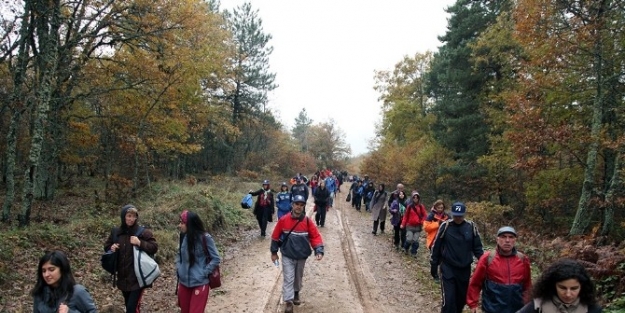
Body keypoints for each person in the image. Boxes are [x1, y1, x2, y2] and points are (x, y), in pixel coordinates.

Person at [270, 195, 324, 313]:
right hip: (287, 254)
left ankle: (296, 292)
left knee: (297, 277)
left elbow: (315, 236)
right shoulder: (284, 220)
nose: (299, 207)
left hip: (301, 255)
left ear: (304, 206)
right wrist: (274, 252)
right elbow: (275, 236)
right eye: (296, 204)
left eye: (301, 205)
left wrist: (318, 250)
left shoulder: (307, 222)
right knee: (288, 277)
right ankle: (288, 302)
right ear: (292, 205)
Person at [430, 202, 484, 313]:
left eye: (460, 215)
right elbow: (436, 246)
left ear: (464, 215)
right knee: (448, 301)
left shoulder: (471, 227)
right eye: (455, 215)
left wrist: (484, 264)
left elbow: (478, 248)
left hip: (464, 269)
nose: (458, 218)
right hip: (448, 268)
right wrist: (434, 265)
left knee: (461, 300)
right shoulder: (445, 226)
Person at [104, 204, 158, 313]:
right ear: (123, 217)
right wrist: (112, 247)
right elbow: (106, 247)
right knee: (130, 306)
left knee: (131, 309)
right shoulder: (116, 232)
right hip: (123, 278)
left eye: (134, 216)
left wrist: (140, 242)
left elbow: (154, 247)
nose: (131, 219)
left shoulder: (142, 232)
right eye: (128, 216)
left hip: (138, 278)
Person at [467, 226, 532, 313]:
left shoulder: (522, 259)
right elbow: (475, 282)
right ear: (497, 239)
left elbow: (527, 284)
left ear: (515, 240)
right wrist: (473, 304)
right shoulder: (487, 258)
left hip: (517, 308)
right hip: (492, 308)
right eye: (503, 237)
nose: (507, 240)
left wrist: (528, 303)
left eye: (511, 237)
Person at [516, 258, 602, 313]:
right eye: (562, 288)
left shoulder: (592, 309)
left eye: (574, 288)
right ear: (553, 285)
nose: (568, 294)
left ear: (582, 286)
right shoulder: (536, 307)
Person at [176, 210, 221, 313]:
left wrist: (203, 272)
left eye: (182, 223)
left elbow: (216, 258)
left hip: (200, 283)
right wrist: (179, 269)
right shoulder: (183, 236)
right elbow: (179, 255)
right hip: (184, 283)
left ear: (189, 224)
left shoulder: (205, 238)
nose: (180, 225)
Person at [32, 250, 97, 313]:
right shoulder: (40, 294)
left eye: (51, 270)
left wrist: (70, 312)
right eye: (44, 271)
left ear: (62, 269)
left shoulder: (77, 292)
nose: (46, 274)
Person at [424, 199, 450, 280]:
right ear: (435, 207)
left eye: (441, 207)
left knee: (443, 258)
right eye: (438, 207)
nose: (440, 209)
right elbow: (426, 228)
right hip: (433, 241)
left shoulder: (447, 216)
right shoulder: (431, 216)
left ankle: (443, 273)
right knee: (434, 258)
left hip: (444, 240)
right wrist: (437, 224)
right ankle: (434, 275)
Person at [400, 191, 428, 256]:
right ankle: (406, 248)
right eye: (414, 197)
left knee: (415, 240)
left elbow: (425, 216)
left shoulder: (421, 207)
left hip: (418, 227)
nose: (415, 199)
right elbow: (405, 216)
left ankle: (413, 252)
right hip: (410, 226)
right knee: (409, 239)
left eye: (417, 197)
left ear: (418, 198)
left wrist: (422, 221)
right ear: (412, 198)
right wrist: (403, 224)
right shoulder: (409, 207)